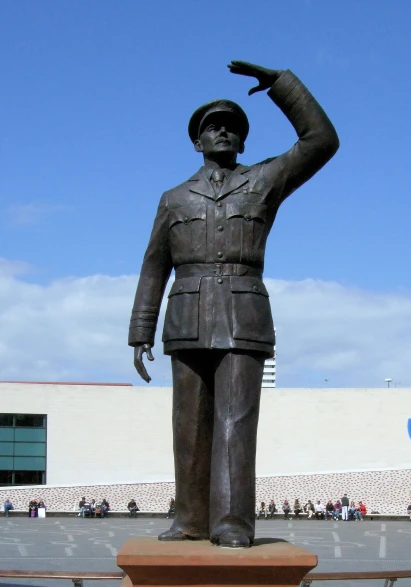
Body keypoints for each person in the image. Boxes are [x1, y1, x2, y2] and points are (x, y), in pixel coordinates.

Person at [129, 59, 338, 548]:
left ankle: (232, 523)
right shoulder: (173, 198)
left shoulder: (264, 180)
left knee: (236, 423)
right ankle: (190, 520)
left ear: (243, 141)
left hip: (244, 315)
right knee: (189, 424)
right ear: (197, 141)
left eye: (231, 127)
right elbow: (154, 264)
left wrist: (281, 85)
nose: (222, 132)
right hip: (186, 315)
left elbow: (321, 141)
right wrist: (141, 328)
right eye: (212, 127)